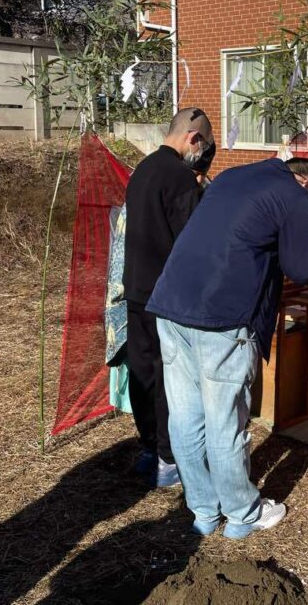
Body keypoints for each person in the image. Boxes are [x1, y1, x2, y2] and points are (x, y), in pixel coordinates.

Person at [147, 156, 308, 538]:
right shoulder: (295, 196)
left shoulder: (232, 176)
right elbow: (302, 267)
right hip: (222, 316)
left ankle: (203, 511)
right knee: (224, 420)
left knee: (184, 418)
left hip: (171, 303)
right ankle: (242, 514)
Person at [122, 107, 215, 488]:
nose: (203, 155)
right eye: (205, 147)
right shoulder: (179, 178)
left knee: (142, 369)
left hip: (135, 286)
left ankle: (148, 447)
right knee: (167, 376)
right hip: (165, 292)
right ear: (193, 139)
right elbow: (194, 239)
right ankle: (168, 457)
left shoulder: (142, 169)